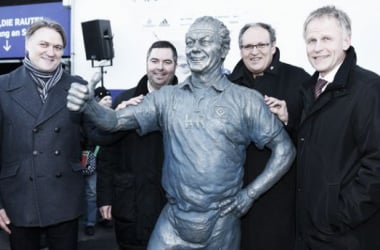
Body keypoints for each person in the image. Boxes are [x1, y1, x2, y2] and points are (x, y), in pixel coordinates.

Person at [67, 16, 296, 250]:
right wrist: (89, 106)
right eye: (190, 42)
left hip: (221, 224)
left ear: (224, 49)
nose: (195, 48)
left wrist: (250, 194)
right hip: (173, 221)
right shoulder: (166, 97)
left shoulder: (246, 100)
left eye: (204, 41)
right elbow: (114, 122)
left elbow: (285, 150)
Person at [295, 5, 380, 250]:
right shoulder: (309, 89)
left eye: (326, 39)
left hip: (346, 236)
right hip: (310, 232)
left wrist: (340, 215)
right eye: (311, 40)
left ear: (346, 41)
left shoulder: (369, 89)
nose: (317, 47)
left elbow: (376, 163)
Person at [0, 19, 90, 250]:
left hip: (64, 197)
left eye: (58, 47)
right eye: (44, 44)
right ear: (27, 45)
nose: (51, 52)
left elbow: (95, 136)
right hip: (19, 198)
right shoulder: (3, 86)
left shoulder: (77, 85)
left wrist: (111, 115)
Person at [227, 22, 310, 250]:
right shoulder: (227, 85)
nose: (254, 52)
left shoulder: (299, 79)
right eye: (248, 46)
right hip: (235, 195)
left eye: (261, 44)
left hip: (280, 196)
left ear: (273, 46)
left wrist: (288, 117)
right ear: (240, 49)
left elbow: (316, 135)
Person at [96, 40, 178, 250]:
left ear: (175, 65)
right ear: (146, 63)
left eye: (167, 62)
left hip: (173, 203)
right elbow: (107, 154)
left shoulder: (188, 101)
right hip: (130, 202)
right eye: (155, 61)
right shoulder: (125, 100)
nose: (160, 67)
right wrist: (104, 196)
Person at [81, 85, 112, 237]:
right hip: (93, 157)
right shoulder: (89, 117)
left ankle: (105, 217)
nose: (109, 102)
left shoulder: (114, 114)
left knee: (106, 189)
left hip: (108, 160)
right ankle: (90, 222)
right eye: (105, 99)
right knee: (92, 192)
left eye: (110, 98)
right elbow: (87, 137)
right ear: (97, 101)